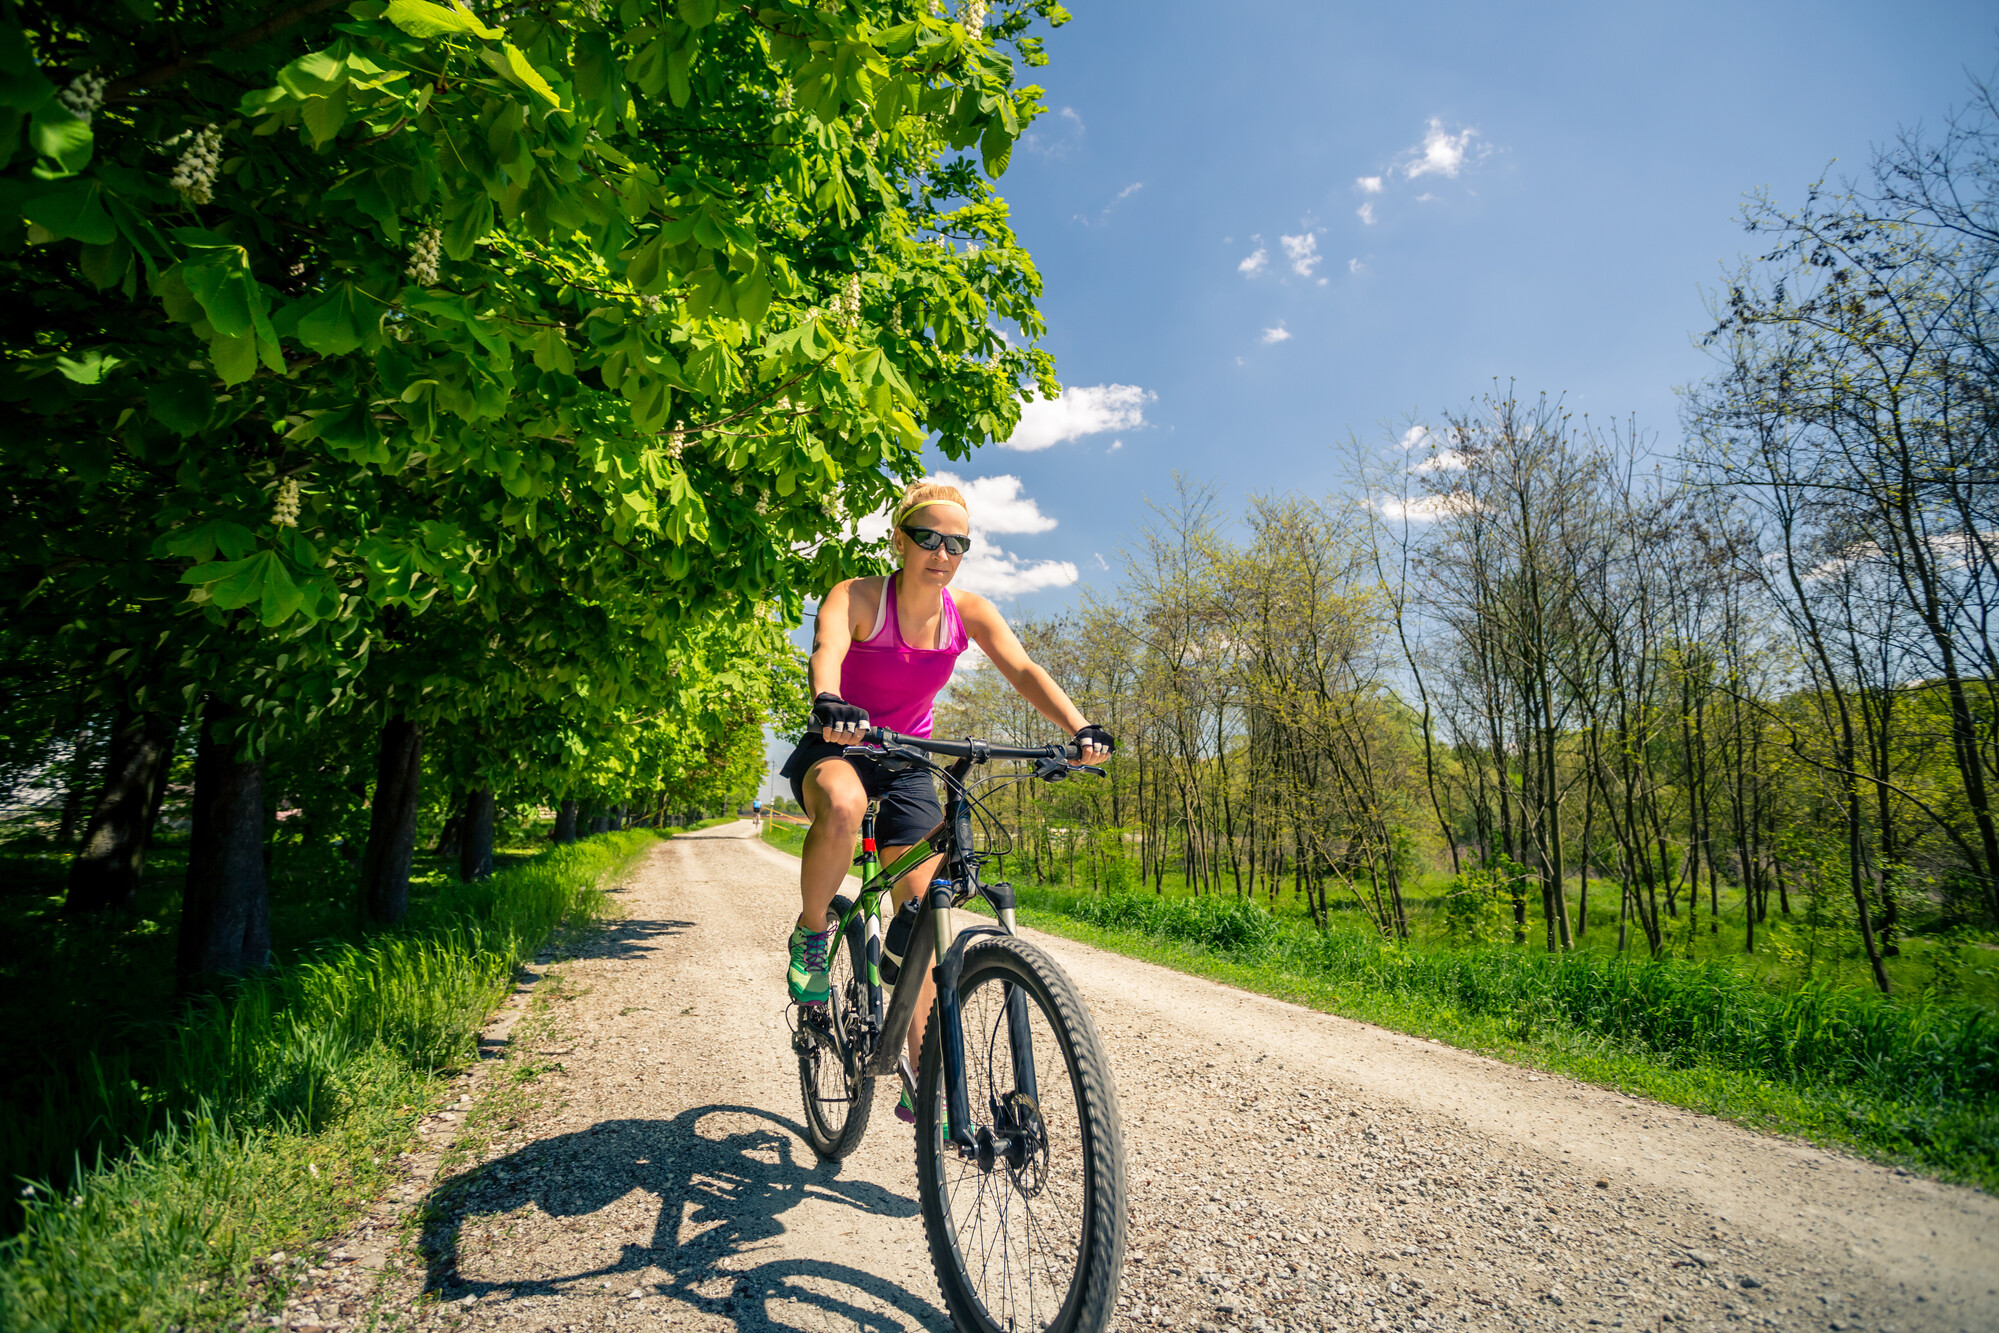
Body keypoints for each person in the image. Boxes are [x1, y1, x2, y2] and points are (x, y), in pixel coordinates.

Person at [780, 479, 1115, 1125]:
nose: (941, 551)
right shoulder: (855, 595)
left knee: (927, 917)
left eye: (955, 542)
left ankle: (920, 1074)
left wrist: (1080, 729)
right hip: (841, 742)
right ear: (899, 540)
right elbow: (827, 650)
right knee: (844, 806)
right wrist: (829, 701)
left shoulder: (969, 611)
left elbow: (1022, 670)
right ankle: (812, 932)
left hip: (908, 759)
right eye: (928, 537)